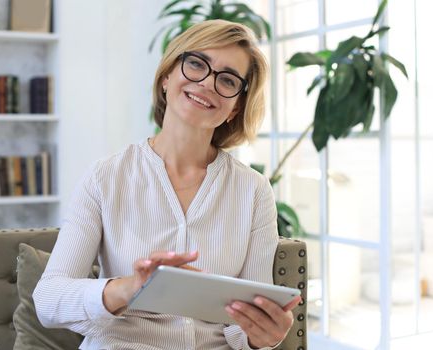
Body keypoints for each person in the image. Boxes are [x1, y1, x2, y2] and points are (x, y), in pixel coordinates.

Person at [33, 19, 301, 350]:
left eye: (228, 79)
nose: (207, 83)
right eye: (196, 64)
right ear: (166, 77)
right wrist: (130, 288)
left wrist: (261, 337)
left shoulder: (254, 190)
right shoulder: (104, 177)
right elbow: (47, 300)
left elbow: (242, 323)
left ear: (236, 108)